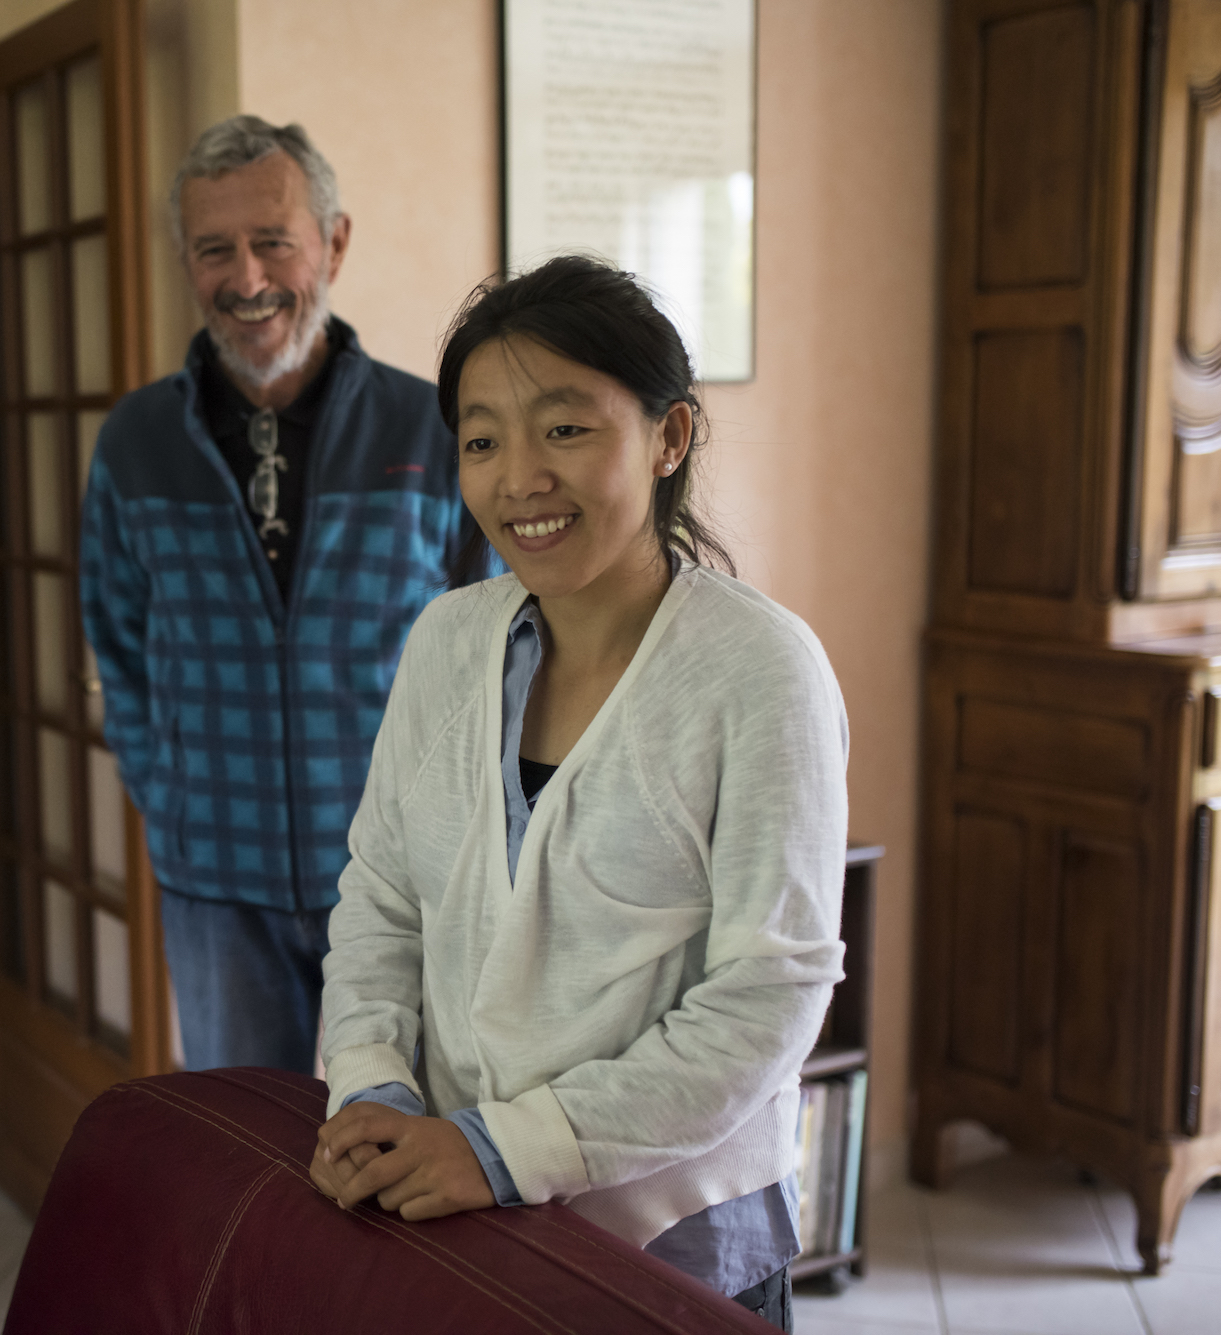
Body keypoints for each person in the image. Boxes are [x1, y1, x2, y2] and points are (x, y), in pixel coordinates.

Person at [307, 255, 848, 1331]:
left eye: (563, 429)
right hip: (463, 1207)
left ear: (668, 438)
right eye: (480, 438)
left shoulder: (758, 672)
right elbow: (381, 896)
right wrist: (370, 1081)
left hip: (672, 1234)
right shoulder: (445, 643)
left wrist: (503, 1148)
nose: (517, 479)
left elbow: (766, 996)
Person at [80, 116, 470, 1074]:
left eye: (273, 243)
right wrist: (166, 794)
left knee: (399, 1159)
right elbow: (116, 641)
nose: (247, 280)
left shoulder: (433, 424)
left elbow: (494, 641)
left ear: (332, 244)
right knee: (251, 1170)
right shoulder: (136, 440)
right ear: (185, 259)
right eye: (216, 249)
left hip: (402, 886)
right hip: (214, 883)